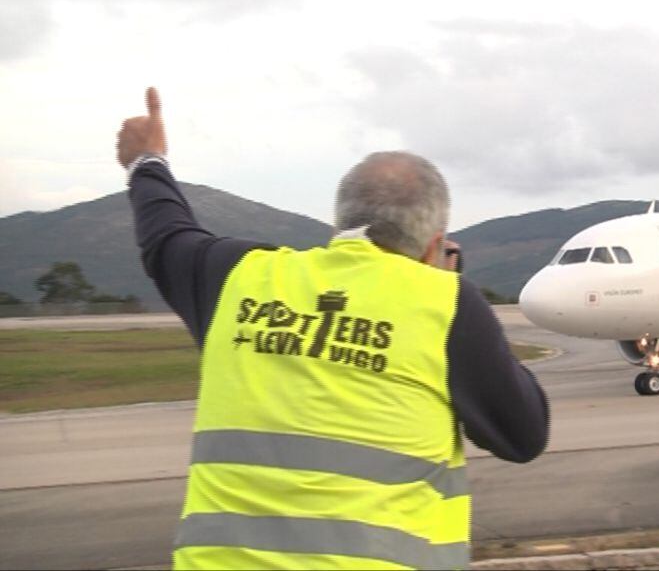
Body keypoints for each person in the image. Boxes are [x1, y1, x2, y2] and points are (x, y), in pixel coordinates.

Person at [116, 87, 549, 570]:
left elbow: (167, 235)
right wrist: (448, 289)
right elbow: (523, 435)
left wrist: (147, 162)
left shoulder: (239, 276)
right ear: (435, 245)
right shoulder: (444, 303)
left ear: (340, 220)